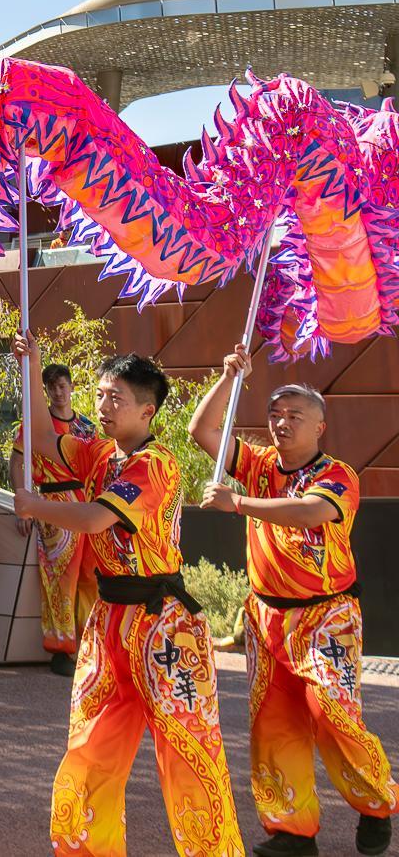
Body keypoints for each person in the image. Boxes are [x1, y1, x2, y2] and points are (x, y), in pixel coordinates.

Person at [13, 339, 241, 856]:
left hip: (164, 627)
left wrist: (35, 506)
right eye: (99, 395)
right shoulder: (98, 452)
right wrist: (29, 367)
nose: (102, 405)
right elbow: (45, 439)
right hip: (109, 620)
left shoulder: (154, 465)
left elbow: (95, 518)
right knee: (88, 746)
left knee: (189, 755)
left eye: (116, 397)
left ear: (147, 409)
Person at [188, 345, 394, 857]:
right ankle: (291, 830)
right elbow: (202, 433)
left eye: (294, 415)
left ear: (319, 426)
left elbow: (307, 514)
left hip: (328, 616)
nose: (281, 423)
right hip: (265, 615)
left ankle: (376, 803)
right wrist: (227, 374)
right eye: (274, 415)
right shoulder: (259, 465)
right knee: (274, 722)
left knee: (333, 713)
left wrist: (236, 503)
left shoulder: (338, 476)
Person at [10, 361, 98, 677]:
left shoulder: (87, 426)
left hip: (88, 503)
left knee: (92, 574)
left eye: (63, 386)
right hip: (53, 502)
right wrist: (24, 501)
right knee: (61, 578)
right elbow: (17, 462)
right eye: (53, 387)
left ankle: (89, 645)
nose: (59, 392)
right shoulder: (35, 426)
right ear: (46, 391)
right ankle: (61, 647)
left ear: (72, 387)